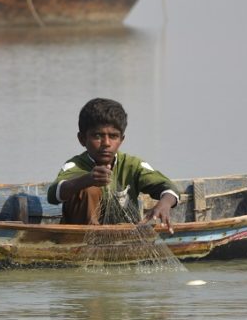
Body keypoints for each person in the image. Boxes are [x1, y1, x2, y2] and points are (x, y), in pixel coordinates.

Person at [46, 98, 180, 230]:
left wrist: (165, 203)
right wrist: (87, 180)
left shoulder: (132, 165)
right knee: (89, 189)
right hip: (79, 239)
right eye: (97, 136)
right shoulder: (75, 166)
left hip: (124, 236)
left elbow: (169, 188)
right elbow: (53, 194)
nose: (106, 143)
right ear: (82, 139)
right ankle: (92, 239)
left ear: (121, 139)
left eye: (113, 136)